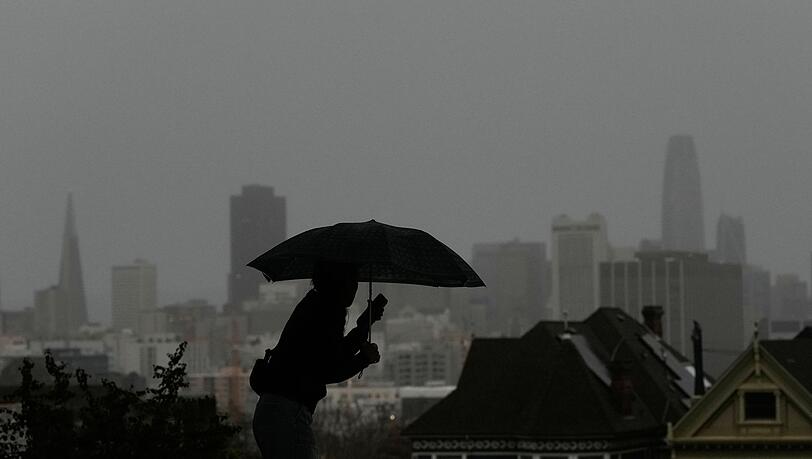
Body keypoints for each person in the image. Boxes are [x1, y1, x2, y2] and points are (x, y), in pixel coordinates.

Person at [252, 261, 386, 458]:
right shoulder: (327, 311)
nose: (354, 289)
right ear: (337, 284)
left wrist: (364, 325)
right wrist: (363, 359)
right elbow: (329, 370)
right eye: (351, 283)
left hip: (274, 411)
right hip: (288, 413)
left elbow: (332, 356)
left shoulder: (314, 305)